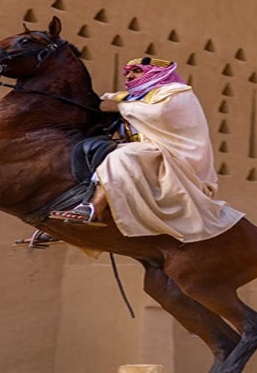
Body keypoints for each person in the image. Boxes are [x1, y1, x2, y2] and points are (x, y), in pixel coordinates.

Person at [45, 56, 244, 244]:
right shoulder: (129, 98)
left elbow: (159, 114)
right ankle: (68, 223)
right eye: (127, 73)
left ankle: (93, 208)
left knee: (122, 157)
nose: (129, 76)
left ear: (157, 72)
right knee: (88, 154)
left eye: (136, 71)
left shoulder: (176, 92)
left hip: (170, 155)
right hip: (143, 150)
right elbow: (102, 107)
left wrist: (119, 107)